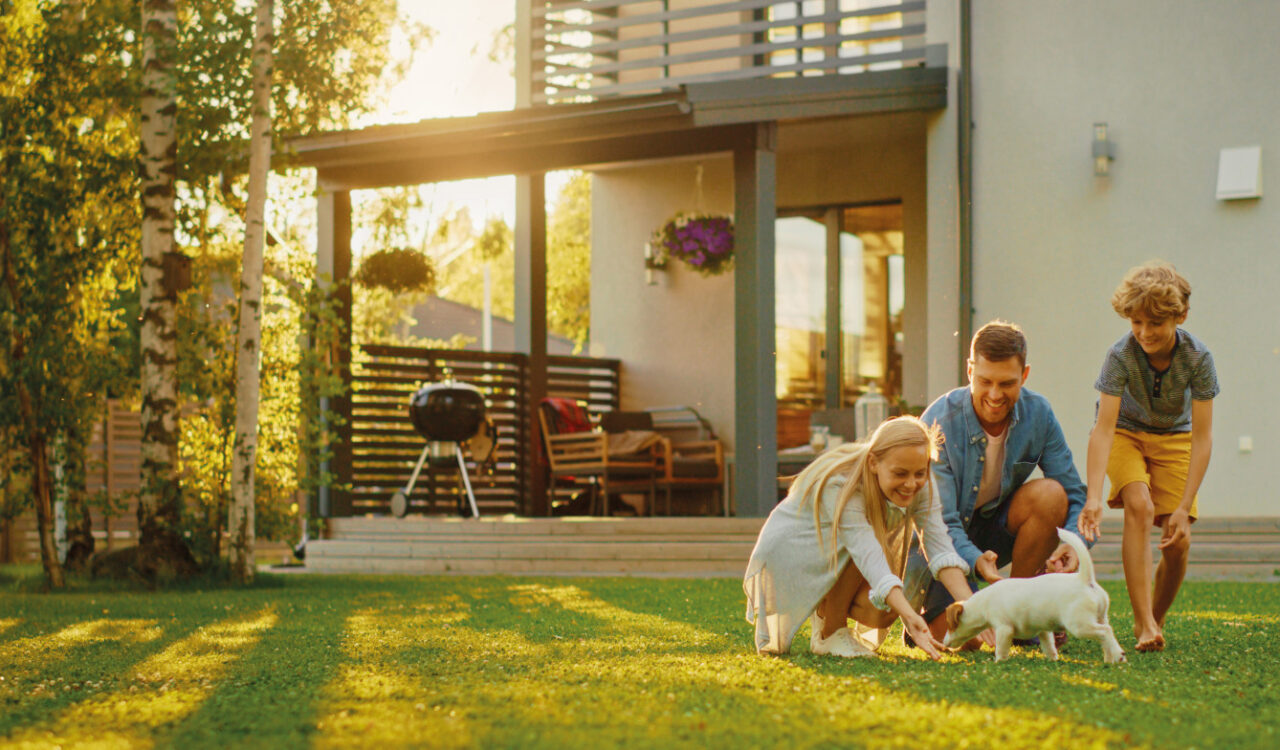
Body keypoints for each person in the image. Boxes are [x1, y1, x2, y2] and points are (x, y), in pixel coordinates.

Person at [908, 321, 1090, 647]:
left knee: (1051, 495)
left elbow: (1074, 492)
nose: (995, 395)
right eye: (985, 381)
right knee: (969, 641)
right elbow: (942, 524)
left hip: (995, 529)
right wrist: (975, 562)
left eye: (1007, 383)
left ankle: (1019, 611)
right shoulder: (938, 421)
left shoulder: (1039, 414)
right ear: (969, 371)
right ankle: (931, 615)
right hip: (939, 544)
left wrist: (1074, 544)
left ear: (1025, 375)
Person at [744, 416, 974, 660]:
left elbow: (940, 548)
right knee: (872, 557)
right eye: (900, 473)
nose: (911, 483)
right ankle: (829, 633)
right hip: (792, 553)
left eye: (920, 472)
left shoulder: (920, 481)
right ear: (874, 462)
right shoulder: (843, 484)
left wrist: (977, 610)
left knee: (882, 612)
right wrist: (910, 615)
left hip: (838, 552)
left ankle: (825, 615)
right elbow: (866, 553)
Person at [1077, 261, 1217, 653]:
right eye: (1136, 322)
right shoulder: (1120, 355)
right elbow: (1103, 429)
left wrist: (1185, 505)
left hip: (1176, 437)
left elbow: (1203, 437)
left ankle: (1155, 618)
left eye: (1155, 323)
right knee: (1138, 504)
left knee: (1177, 542)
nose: (1144, 333)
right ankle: (1141, 622)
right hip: (1125, 433)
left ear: (1181, 315)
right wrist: (1093, 496)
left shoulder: (1198, 358)